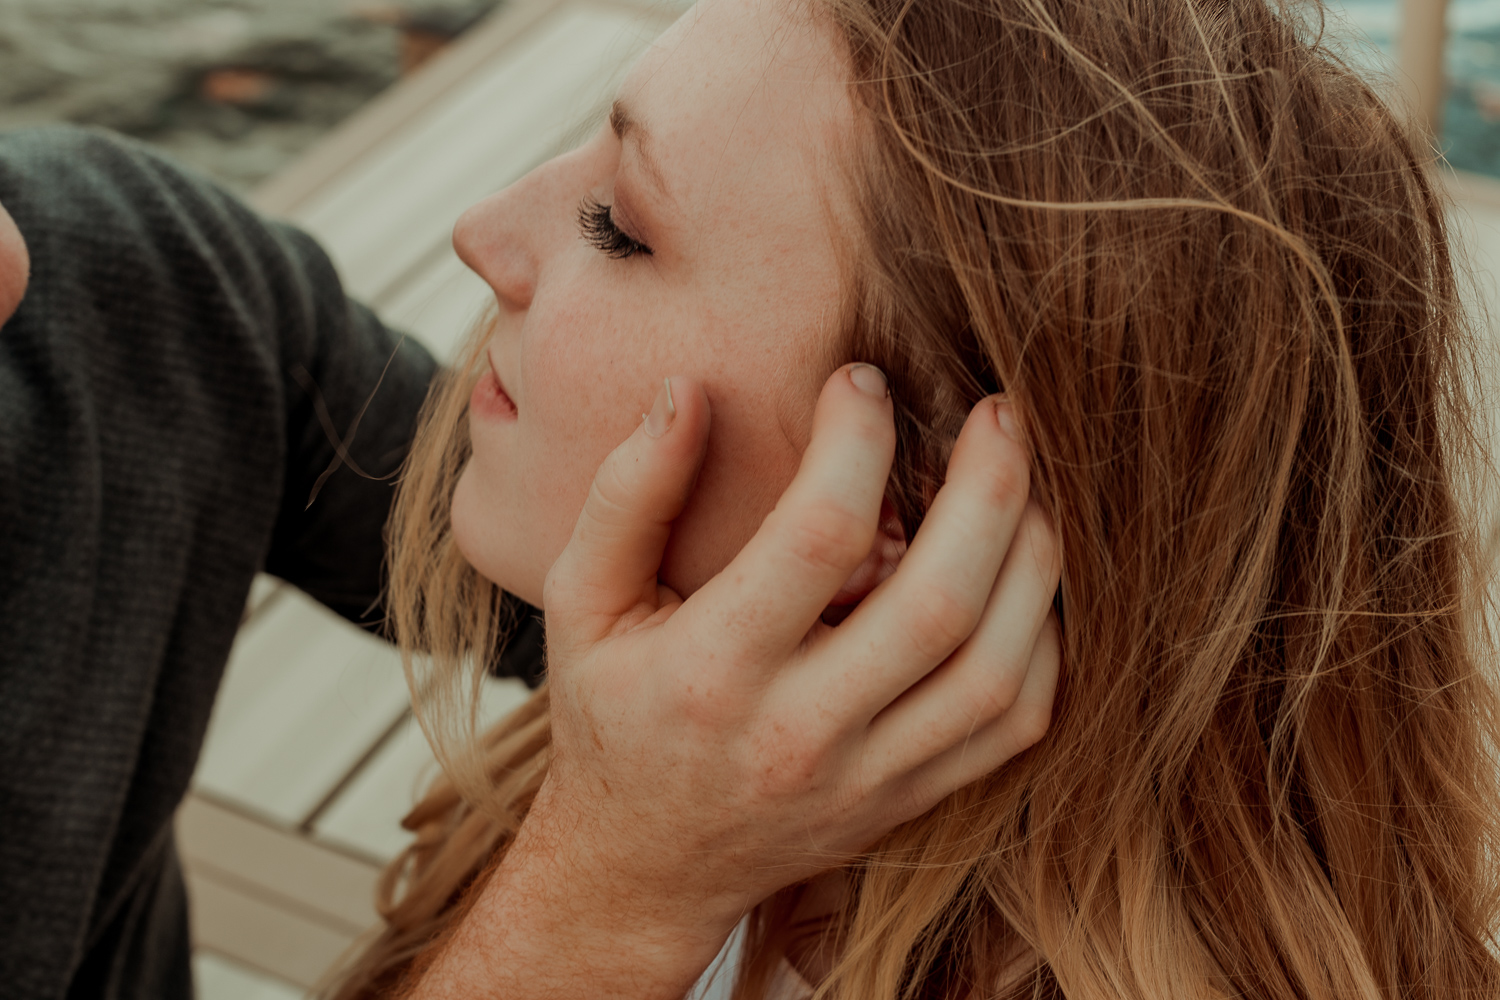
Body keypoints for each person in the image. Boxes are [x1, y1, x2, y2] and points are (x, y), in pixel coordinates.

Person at [326, 0, 1500, 995]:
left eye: (617, 226)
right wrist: (609, 855)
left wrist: (602, 898)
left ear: (925, 519)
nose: (480, 235)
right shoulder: (609, 750)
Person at [0, 123, 1049, 1000]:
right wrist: (603, 897)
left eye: (619, 221)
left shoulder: (133, 281)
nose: (474, 228)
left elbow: (515, 534)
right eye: (618, 227)